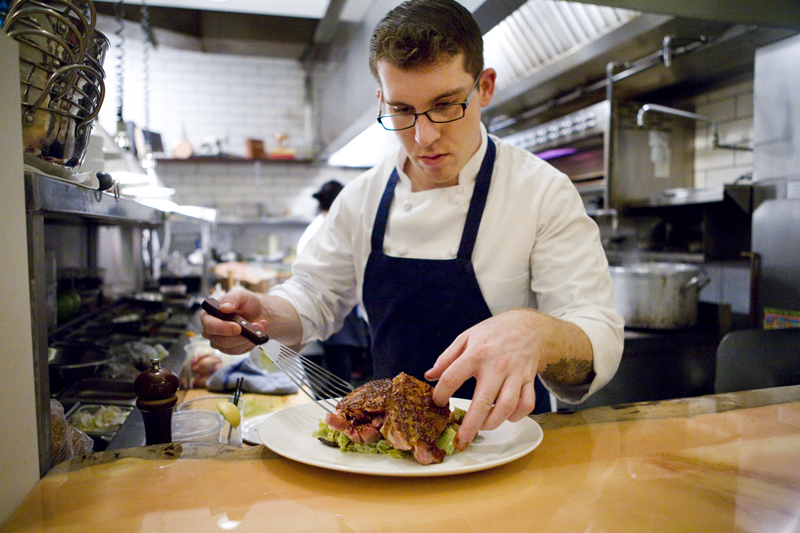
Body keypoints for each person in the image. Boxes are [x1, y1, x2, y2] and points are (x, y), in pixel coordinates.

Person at [202, 0, 624, 451]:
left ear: (484, 87)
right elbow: (313, 296)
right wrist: (260, 314)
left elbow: (596, 332)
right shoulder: (363, 196)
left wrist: (539, 333)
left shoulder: (541, 192)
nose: (424, 137)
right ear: (382, 99)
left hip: (506, 449)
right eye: (402, 110)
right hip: (393, 455)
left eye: (445, 105)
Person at [297, 180, 372, 383]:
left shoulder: (322, 224)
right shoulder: (326, 228)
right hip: (333, 301)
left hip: (337, 302)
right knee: (339, 363)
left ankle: (340, 395)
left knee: (341, 360)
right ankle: (339, 399)